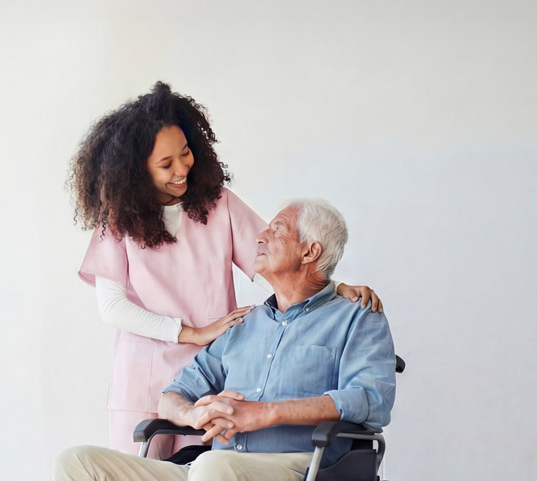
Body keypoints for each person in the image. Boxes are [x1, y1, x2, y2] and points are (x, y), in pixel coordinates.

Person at [69, 82, 384, 458]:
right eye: (166, 164)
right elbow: (112, 308)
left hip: (210, 372)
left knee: (199, 469)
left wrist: (336, 286)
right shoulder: (117, 222)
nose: (182, 168)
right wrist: (193, 332)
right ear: (135, 171)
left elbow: (284, 258)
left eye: (185, 154)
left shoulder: (219, 205)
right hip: (141, 376)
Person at [53, 198, 396, 481]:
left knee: (212, 467)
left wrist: (264, 414)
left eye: (276, 230)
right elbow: (173, 395)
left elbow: (370, 398)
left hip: (299, 467)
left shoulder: (357, 317)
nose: (259, 236)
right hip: (212, 468)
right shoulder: (243, 326)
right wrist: (193, 414)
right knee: (76, 463)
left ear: (310, 252)